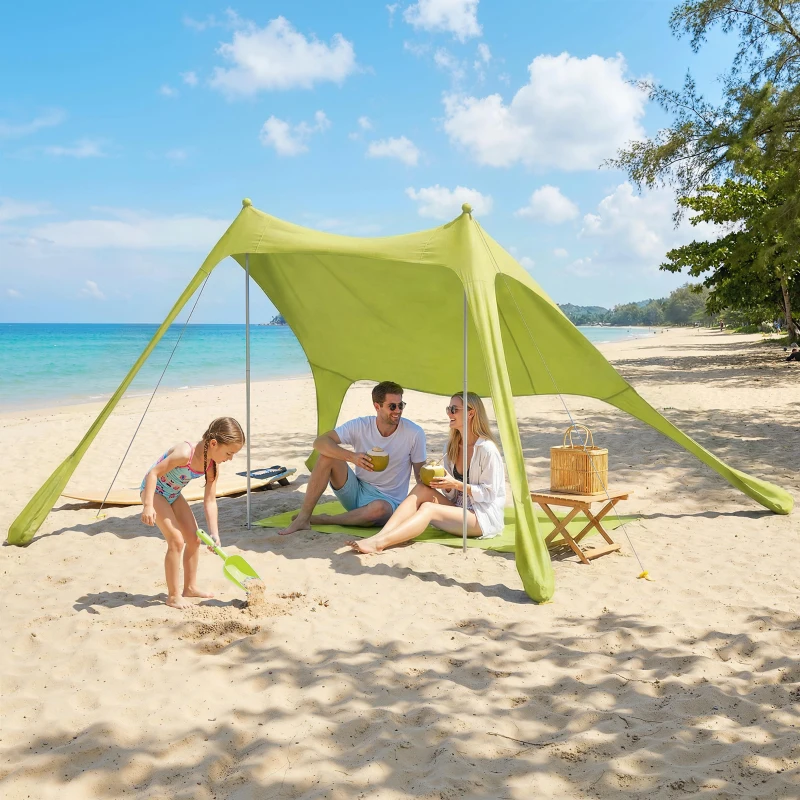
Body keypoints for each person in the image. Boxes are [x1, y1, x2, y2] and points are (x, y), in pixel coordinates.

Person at [348, 392, 506, 554]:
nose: (449, 413)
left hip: (481, 517)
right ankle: (380, 536)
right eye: (448, 409)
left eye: (454, 409)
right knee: (422, 488)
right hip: (459, 509)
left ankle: (380, 543)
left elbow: (489, 494)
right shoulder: (451, 447)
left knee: (428, 508)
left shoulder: (487, 450)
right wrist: (446, 485)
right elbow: (452, 496)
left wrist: (456, 484)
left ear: (471, 413)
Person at [279, 381, 427, 535]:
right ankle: (303, 517)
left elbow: (419, 476)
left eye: (401, 405)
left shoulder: (414, 433)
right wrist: (352, 457)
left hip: (387, 502)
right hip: (356, 491)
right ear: (377, 406)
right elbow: (320, 442)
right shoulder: (361, 425)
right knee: (327, 456)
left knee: (378, 510)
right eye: (392, 406)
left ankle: (327, 520)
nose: (398, 411)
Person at [140, 417, 245, 609]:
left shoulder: (212, 465)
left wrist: (214, 534)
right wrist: (147, 505)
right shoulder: (184, 453)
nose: (230, 458)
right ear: (214, 443)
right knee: (176, 540)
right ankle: (173, 596)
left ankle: (190, 587)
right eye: (229, 453)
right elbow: (153, 474)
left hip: (172, 494)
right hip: (154, 492)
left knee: (195, 539)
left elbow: (210, 501)